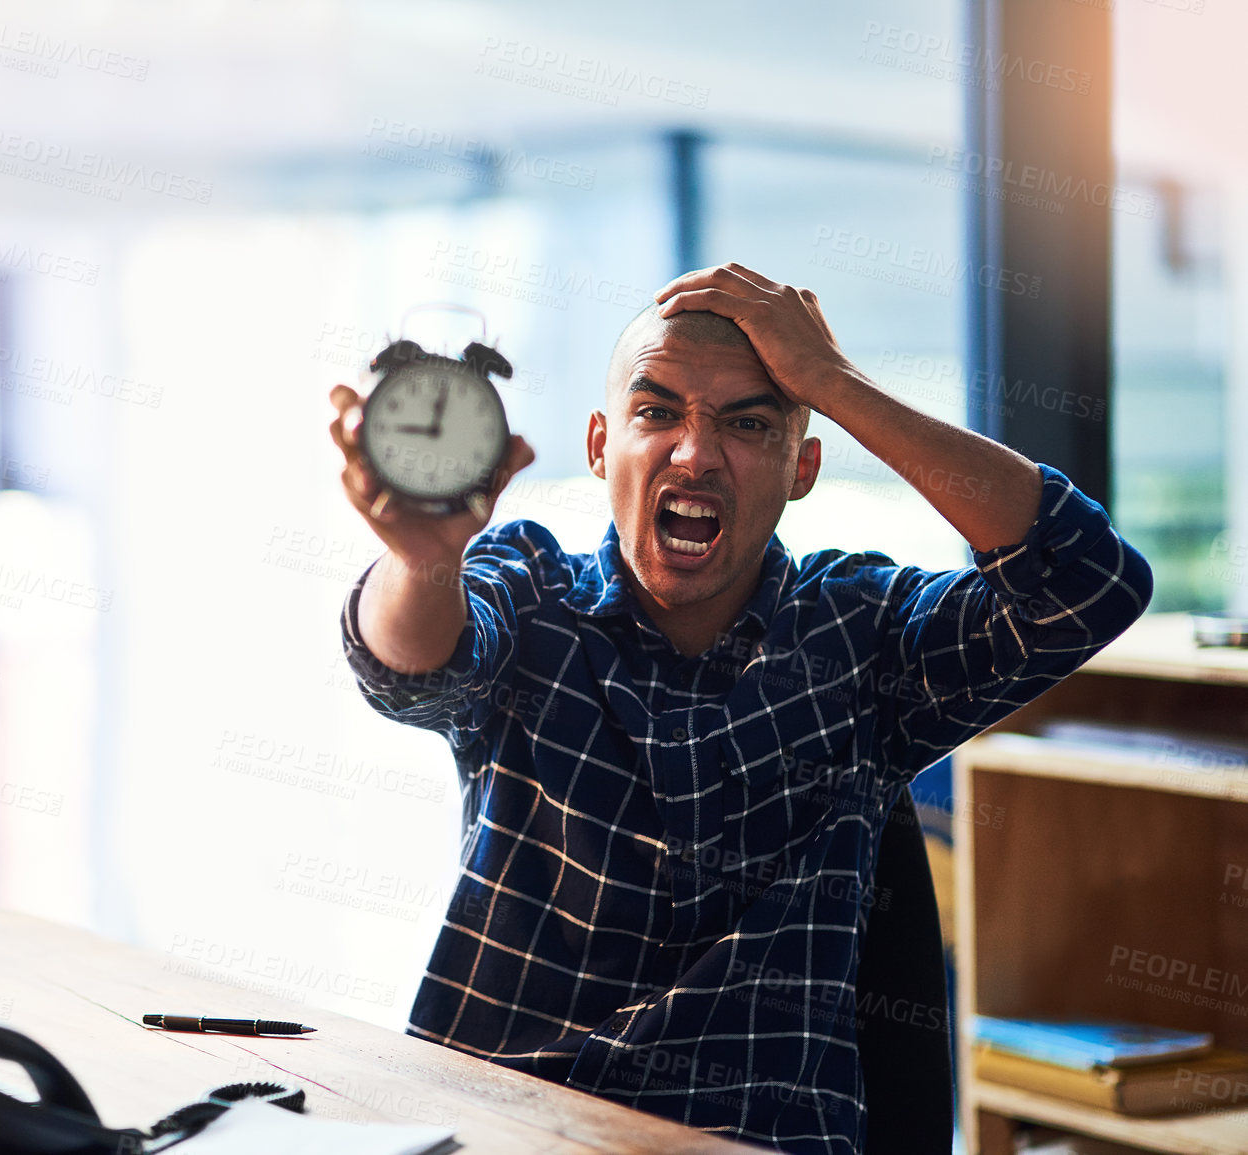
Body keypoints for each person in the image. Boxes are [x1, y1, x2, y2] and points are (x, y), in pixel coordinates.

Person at [326, 263, 1152, 1154]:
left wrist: (834, 384)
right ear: (601, 447)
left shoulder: (862, 634)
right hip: (504, 1127)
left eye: (748, 423)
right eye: (657, 413)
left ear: (802, 465)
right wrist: (420, 561)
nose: (693, 453)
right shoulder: (528, 591)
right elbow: (410, 668)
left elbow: (1089, 579)